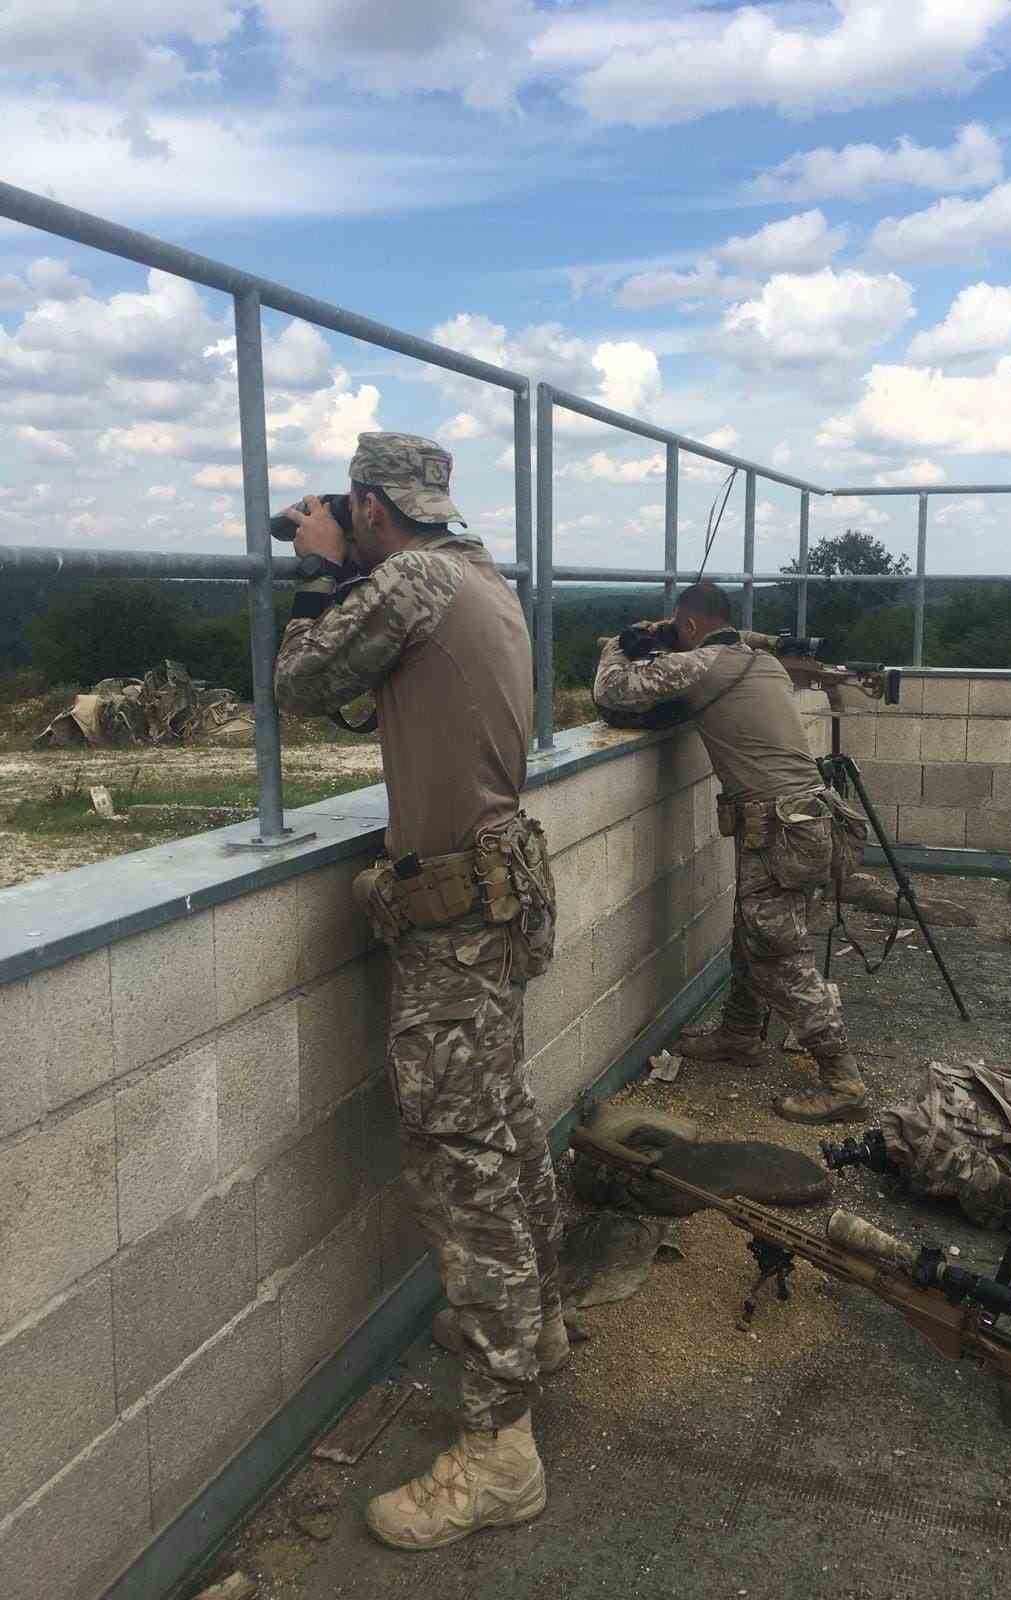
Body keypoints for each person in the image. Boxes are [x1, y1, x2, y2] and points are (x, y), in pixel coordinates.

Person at [275, 433, 566, 1552]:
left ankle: (499, 1452)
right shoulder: (484, 576)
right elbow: (384, 696)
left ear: (366, 504)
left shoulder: (409, 576)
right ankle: (535, 1329)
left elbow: (301, 681)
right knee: (503, 1125)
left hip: (454, 918)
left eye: (348, 516)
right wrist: (358, 568)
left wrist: (317, 565)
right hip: (491, 901)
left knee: (463, 1167)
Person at [592, 580, 867, 1124]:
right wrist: (674, 634)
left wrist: (620, 645)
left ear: (690, 626)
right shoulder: (761, 662)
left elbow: (611, 693)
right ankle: (740, 1035)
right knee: (754, 935)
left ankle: (843, 1080)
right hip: (808, 822)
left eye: (681, 628)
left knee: (780, 957)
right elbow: (720, 645)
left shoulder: (702, 664)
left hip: (780, 830)